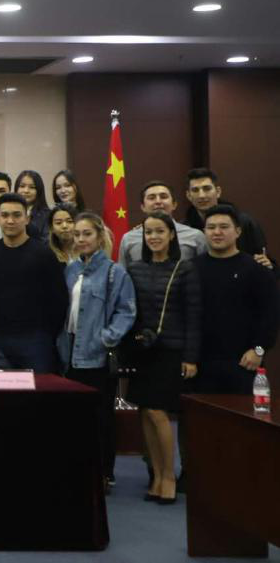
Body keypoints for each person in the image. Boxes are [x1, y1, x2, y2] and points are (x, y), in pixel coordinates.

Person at [125, 210, 201, 504]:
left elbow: (194, 315)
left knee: (159, 412)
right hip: (144, 350)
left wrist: (191, 357)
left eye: (159, 231)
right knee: (145, 412)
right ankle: (155, 476)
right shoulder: (135, 268)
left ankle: (170, 476)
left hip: (173, 351)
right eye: (149, 232)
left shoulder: (185, 268)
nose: (154, 237)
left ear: (171, 235)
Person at [62, 210, 137, 488]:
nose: (81, 239)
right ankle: (80, 469)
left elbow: (126, 311)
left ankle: (105, 472)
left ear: (99, 236)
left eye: (87, 234)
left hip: (97, 354)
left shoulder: (115, 272)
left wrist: (107, 337)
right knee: (75, 416)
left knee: (101, 416)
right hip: (70, 351)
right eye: (77, 234)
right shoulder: (71, 269)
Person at [0, 193, 69, 373]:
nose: (10, 220)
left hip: (36, 341)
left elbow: (59, 299)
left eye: (16, 215)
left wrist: (47, 334)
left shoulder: (44, 254)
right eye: (5, 215)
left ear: (27, 218)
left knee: (38, 389)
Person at [195, 205, 277, 395]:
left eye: (224, 227)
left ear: (238, 231)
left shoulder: (257, 269)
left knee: (243, 414)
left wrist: (258, 350)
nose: (217, 232)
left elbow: (270, 315)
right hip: (201, 364)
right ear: (204, 231)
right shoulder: (192, 268)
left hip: (245, 361)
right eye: (211, 227)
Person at [183, 168, 269, 263]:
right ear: (188, 195)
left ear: (218, 192)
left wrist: (268, 264)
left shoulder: (243, 222)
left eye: (207, 189)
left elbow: (265, 261)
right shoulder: (185, 229)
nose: (202, 195)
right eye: (195, 190)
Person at [118, 181, 208, 269]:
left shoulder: (195, 236)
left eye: (163, 197)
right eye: (151, 198)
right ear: (143, 207)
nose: (158, 201)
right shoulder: (129, 239)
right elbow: (123, 274)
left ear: (174, 204)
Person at [15, 170, 52, 242]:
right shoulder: (10, 212)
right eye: (22, 186)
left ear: (39, 191)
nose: (26, 191)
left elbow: (46, 241)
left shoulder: (47, 215)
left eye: (32, 187)